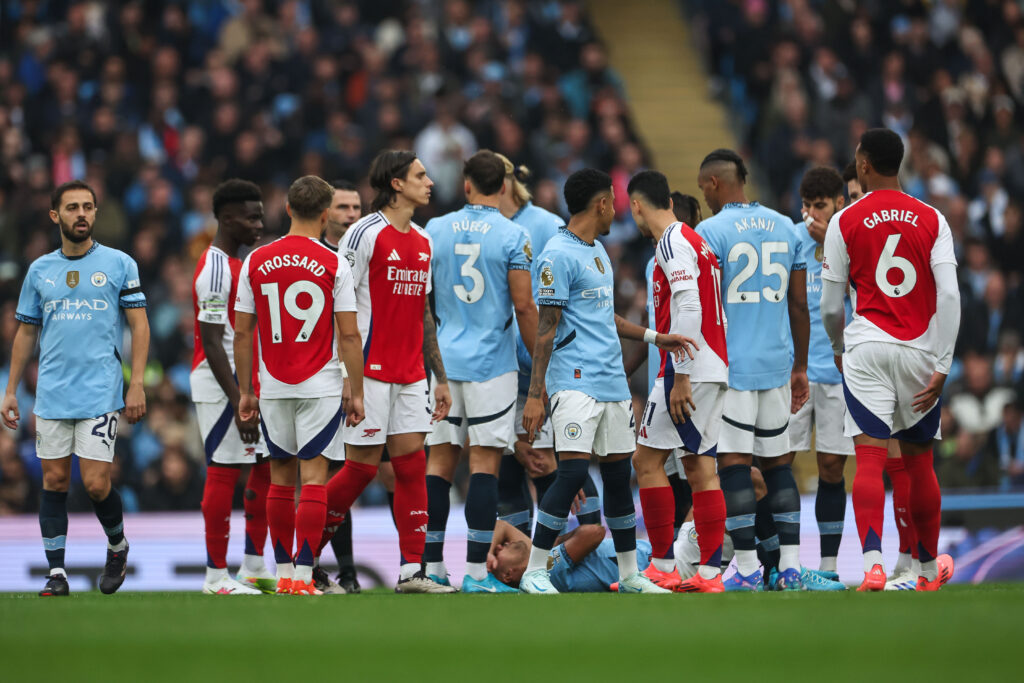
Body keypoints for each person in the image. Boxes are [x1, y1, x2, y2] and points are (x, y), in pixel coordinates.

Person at [518, 168, 693, 594]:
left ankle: (630, 574)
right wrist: (536, 394)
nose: (617, 208)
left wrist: (655, 337)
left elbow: (604, 318)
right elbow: (546, 327)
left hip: (611, 381)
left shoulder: (597, 251)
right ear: (599, 204)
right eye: (612, 200)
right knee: (574, 472)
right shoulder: (556, 255)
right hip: (573, 381)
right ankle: (535, 569)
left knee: (618, 477)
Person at [821, 128, 960, 591]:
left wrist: (840, 350)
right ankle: (923, 570)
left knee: (870, 461)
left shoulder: (845, 219)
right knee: (920, 464)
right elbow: (951, 295)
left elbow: (828, 305)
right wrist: (943, 363)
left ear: (863, 164)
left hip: (866, 347)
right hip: (921, 349)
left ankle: (875, 567)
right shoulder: (933, 218)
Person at [2, 180, 150, 597]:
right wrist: (11, 389)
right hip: (51, 392)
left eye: (87, 206)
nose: (81, 213)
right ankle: (57, 573)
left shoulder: (120, 263)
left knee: (97, 483)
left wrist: (135, 383)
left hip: (101, 391)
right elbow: (26, 333)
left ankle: (118, 546)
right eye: (71, 207)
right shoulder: (39, 270)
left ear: (96, 213)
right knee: (53, 481)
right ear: (55, 216)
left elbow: (139, 324)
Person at [326, 150, 456, 593]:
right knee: (360, 471)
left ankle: (411, 572)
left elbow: (424, 314)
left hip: (411, 374)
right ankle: (299, 555)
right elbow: (339, 304)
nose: (430, 182)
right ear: (396, 184)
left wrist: (439, 377)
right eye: (421, 175)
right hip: (370, 373)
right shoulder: (364, 234)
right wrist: (347, 375)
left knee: (412, 468)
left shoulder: (423, 240)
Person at [233, 175, 366, 596]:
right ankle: (304, 576)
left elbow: (240, 332)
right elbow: (348, 335)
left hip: (272, 384)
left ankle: (285, 568)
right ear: (327, 214)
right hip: (320, 385)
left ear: (287, 209)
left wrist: (245, 390)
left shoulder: (256, 260)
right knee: (313, 481)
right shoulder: (333, 262)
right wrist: (357, 390)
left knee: (278, 480)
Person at [421, 150, 539, 593]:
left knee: (440, 464)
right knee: (484, 464)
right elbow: (525, 306)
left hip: (445, 364)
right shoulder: (515, 235)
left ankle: (431, 567)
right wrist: (540, 366)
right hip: (492, 363)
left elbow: (424, 300)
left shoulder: (434, 229)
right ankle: (475, 573)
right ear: (505, 186)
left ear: (466, 185)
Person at [696, 149, 810, 591]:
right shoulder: (786, 226)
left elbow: (706, 306)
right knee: (780, 466)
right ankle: (792, 566)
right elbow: (798, 304)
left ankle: (746, 567)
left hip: (733, 370)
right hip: (777, 364)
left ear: (713, 184)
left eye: (704, 188)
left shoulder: (709, 231)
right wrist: (799, 365)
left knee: (735, 466)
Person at [627, 170, 729, 593]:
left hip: (689, 368)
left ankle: (663, 564)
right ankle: (708, 574)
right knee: (701, 467)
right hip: (714, 364)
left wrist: (679, 376)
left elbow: (689, 306)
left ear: (636, 205)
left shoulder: (671, 241)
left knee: (646, 462)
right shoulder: (695, 239)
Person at [493, 154, 604, 536]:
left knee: (551, 465)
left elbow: (554, 306)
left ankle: (576, 549)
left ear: (503, 182)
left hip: (540, 369)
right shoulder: (481, 227)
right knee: (508, 467)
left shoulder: (545, 226)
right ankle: (521, 564)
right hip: (497, 368)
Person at [190, 179, 274, 595]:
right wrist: (239, 397)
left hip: (247, 385)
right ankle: (215, 576)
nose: (260, 223)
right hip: (220, 383)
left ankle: (255, 565)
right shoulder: (216, 268)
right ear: (226, 219)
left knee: (263, 467)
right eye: (251, 216)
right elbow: (210, 341)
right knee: (223, 471)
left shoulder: (241, 263)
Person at [844, 160, 919, 589]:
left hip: (867, 351)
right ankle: (911, 565)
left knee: (881, 458)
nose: (857, 203)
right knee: (900, 459)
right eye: (851, 198)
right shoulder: (920, 220)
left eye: (859, 194)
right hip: (913, 349)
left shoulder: (848, 229)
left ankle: (893, 561)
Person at [788, 167, 852, 591]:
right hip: (791, 372)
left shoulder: (853, 241)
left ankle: (828, 565)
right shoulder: (790, 239)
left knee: (831, 467)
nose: (811, 214)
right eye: (807, 206)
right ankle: (781, 562)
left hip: (836, 372)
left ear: (839, 205)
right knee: (778, 465)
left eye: (821, 205)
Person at [313, 177, 373, 595]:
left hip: (368, 373)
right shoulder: (315, 259)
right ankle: (321, 565)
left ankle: (348, 570)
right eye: (343, 208)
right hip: (322, 376)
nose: (351, 215)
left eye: (356, 208)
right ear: (324, 214)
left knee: (365, 473)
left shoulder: (363, 254)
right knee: (331, 473)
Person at [488, 520, 656, 593]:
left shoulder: (537, 561)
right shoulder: (548, 572)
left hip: (656, 555)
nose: (502, 544)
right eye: (498, 552)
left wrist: (487, 554)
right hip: (652, 563)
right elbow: (594, 532)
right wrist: (553, 544)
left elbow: (500, 526)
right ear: (508, 575)